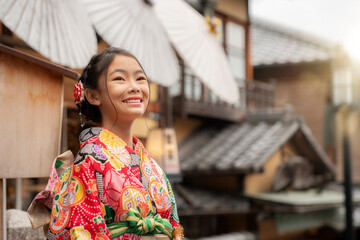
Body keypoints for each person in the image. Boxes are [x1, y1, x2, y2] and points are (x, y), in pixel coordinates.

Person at [28, 47, 183, 240]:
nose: (135, 86)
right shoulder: (88, 161)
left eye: (140, 78)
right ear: (93, 96)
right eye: (120, 78)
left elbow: (174, 227)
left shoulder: (152, 167)